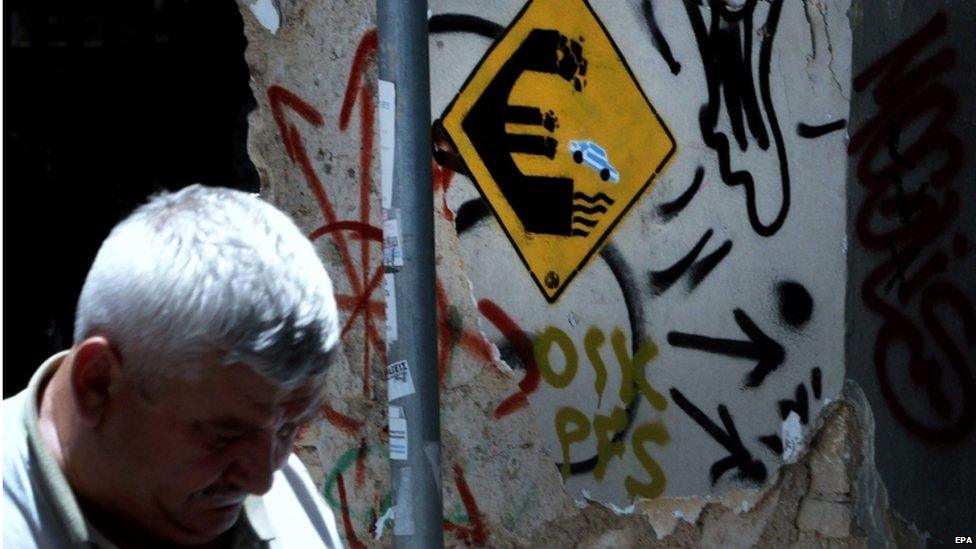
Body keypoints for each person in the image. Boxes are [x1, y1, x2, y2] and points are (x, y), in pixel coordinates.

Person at [4, 185, 345, 548]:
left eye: (289, 428)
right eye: (223, 435)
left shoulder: (275, 489)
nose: (262, 479)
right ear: (98, 384)